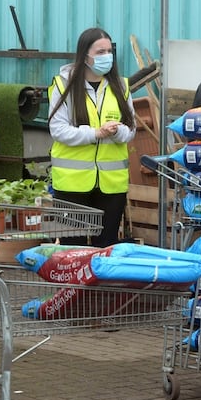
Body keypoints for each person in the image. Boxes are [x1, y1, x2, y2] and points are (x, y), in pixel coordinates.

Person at [48, 27, 136, 247]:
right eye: (100, 52)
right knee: (72, 247)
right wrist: (95, 133)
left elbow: (131, 129)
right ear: (84, 55)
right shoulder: (63, 85)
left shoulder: (121, 86)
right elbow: (58, 129)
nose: (107, 56)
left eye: (109, 51)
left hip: (111, 185)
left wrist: (117, 132)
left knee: (106, 246)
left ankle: (104, 284)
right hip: (71, 184)